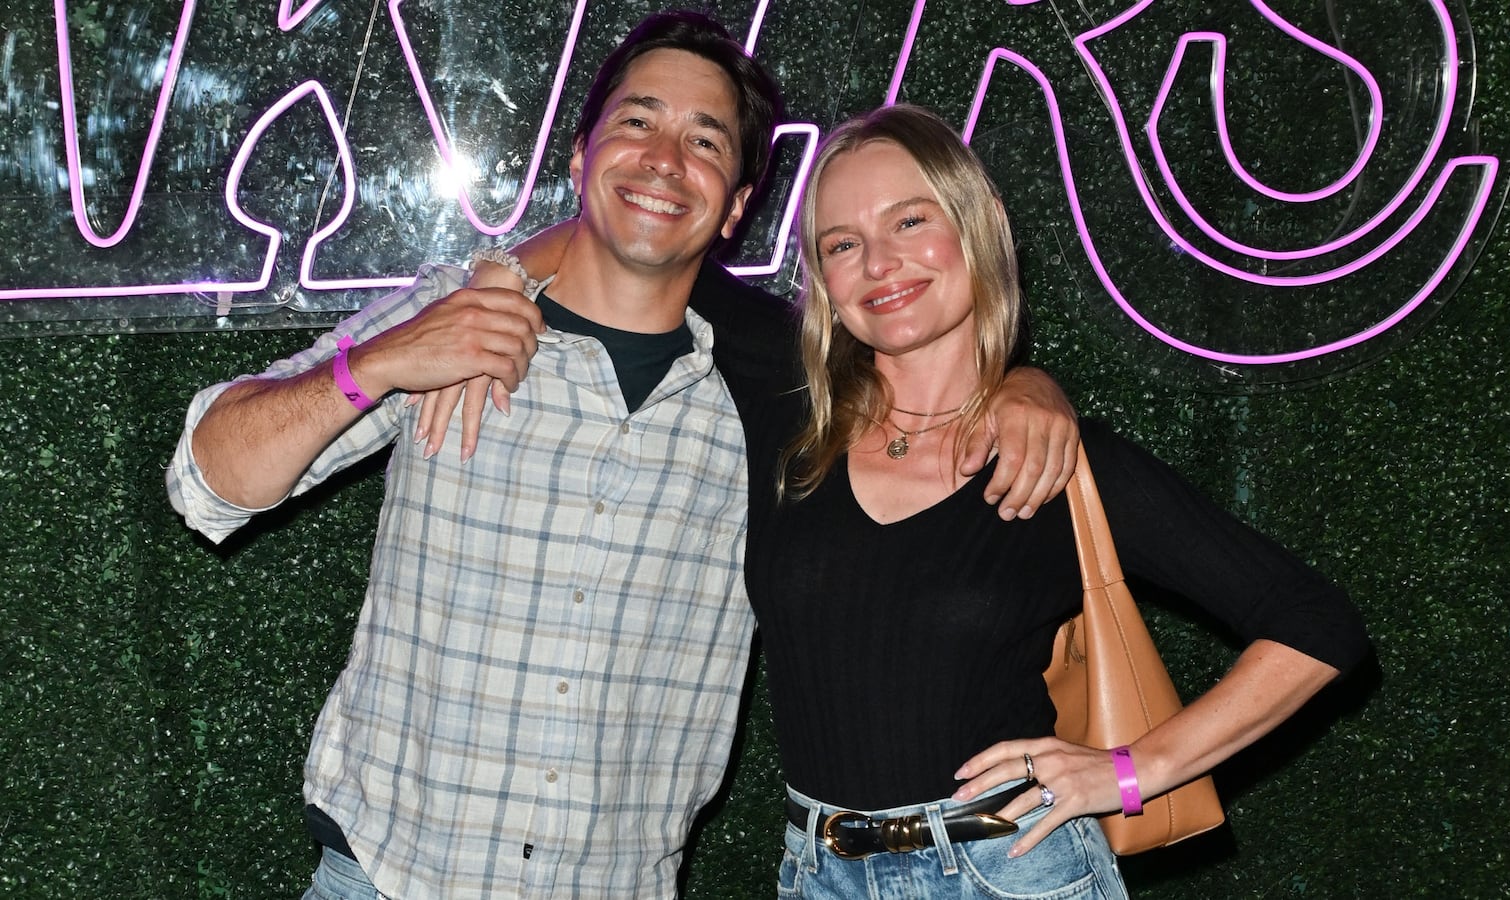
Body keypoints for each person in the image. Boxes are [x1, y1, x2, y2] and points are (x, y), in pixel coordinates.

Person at [167, 14, 1076, 900]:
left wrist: (1025, 383)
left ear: (737, 206)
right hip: (389, 875)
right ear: (579, 156)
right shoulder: (455, 316)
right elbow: (206, 484)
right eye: (638, 122)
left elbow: (926, 380)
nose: (665, 159)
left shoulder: (779, 394)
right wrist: (376, 364)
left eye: (705, 141)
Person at [742, 104, 1370, 898]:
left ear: (982, 225)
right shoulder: (789, 433)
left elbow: (1317, 623)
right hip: (816, 873)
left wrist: (1134, 772)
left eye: (910, 220)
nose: (879, 261)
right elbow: (637, 274)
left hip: (1010, 871)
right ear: (823, 280)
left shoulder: (1065, 462)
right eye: (842, 243)